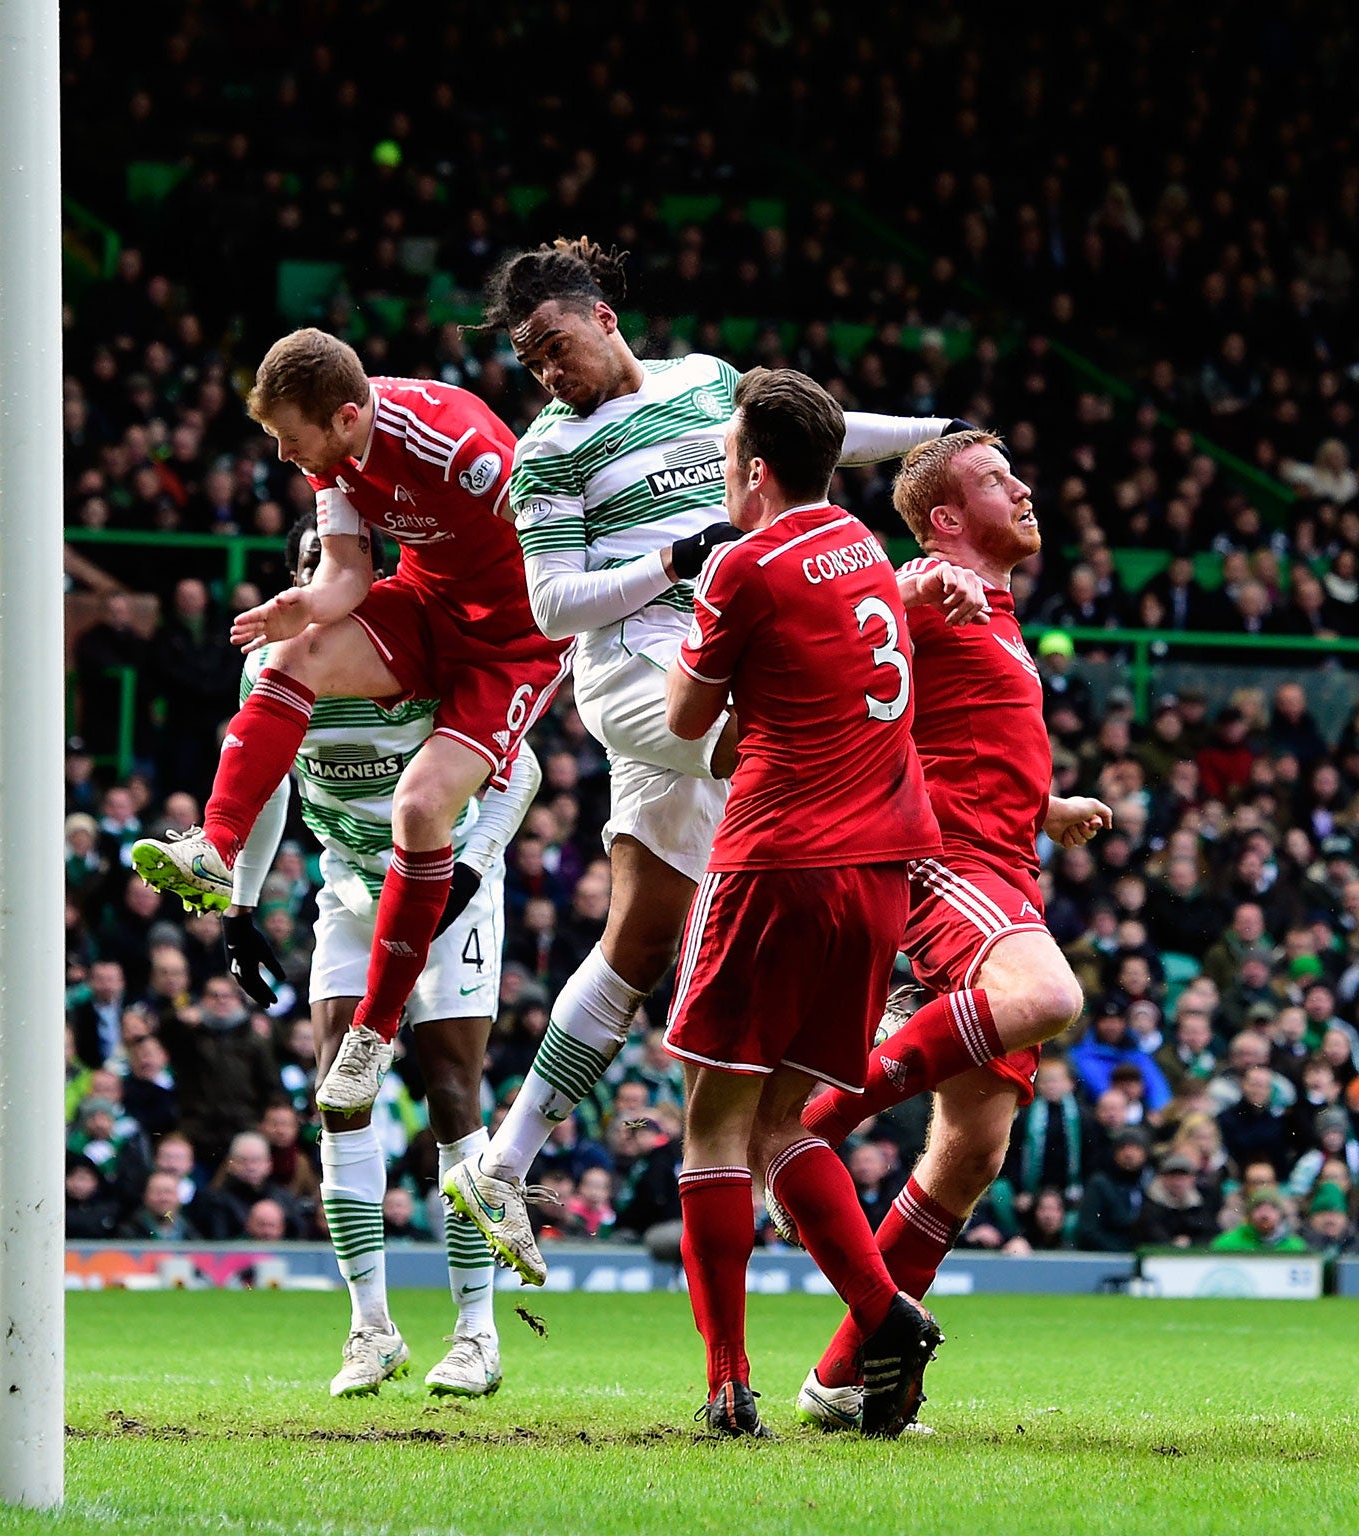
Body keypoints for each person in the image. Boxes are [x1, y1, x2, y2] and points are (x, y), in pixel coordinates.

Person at [443, 238, 967, 1284]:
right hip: (642, 681)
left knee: (637, 944)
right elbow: (551, 606)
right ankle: (885, 986)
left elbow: (815, 439)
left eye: (554, 345)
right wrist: (673, 561)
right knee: (791, 748)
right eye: (528, 359)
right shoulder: (549, 450)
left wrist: (935, 439)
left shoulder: (702, 385)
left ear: (602, 318)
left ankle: (501, 1162)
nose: (547, 371)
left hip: (713, 660)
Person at [133, 330, 568, 1117]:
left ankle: (375, 1030)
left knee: (423, 807)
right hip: (429, 605)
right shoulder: (329, 455)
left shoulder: (457, 447)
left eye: (286, 438)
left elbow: (557, 535)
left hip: (515, 643)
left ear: (341, 415)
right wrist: (300, 608)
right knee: (292, 658)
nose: (280, 455)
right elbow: (344, 574)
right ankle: (213, 848)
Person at [658, 368, 967, 1437]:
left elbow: (687, 719)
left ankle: (727, 1386)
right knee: (781, 1122)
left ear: (749, 467)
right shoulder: (871, 556)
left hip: (776, 862)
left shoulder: (741, 566)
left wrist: (700, 608)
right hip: (876, 873)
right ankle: (884, 1321)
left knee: (712, 1120)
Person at [785, 429, 1111, 1432]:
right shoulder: (921, 584)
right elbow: (840, 632)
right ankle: (803, 1135)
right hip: (945, 861)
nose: (1021, 486)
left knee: (972, 1144)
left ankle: (843, 1374)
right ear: (941, 518)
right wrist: (907, 586)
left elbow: (951, 729)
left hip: (1003, 856)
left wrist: (1045, 805)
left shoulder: (1000, 615)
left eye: (1017, 471)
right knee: (1049, 999)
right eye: (992, 479)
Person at [225, 515, 538, 1398]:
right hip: (352, 890)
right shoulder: (270, 670)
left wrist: (473, 869)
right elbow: (270, 787)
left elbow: (521, 769)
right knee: (336, 1091)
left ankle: (477, 1333)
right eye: (306, 571)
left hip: (449, 880)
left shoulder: (425, 654)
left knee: (448, 1091)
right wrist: (243, 909)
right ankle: (371, 1329)